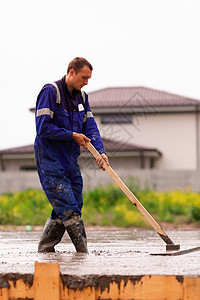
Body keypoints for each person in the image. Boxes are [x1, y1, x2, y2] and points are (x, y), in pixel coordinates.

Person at [34, 57, 109, 253]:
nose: (86, 82)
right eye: (84, 77)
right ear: (71, 72)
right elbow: (43, 127)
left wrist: (100, 152)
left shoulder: (82, 98)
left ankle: (45, 249)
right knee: (68, 205)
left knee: (74, 201)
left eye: (89, 79)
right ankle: (83, 252)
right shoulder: (51, 91)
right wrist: (71, 135)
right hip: (50, 158)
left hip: (70, 159)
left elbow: (90, 127)